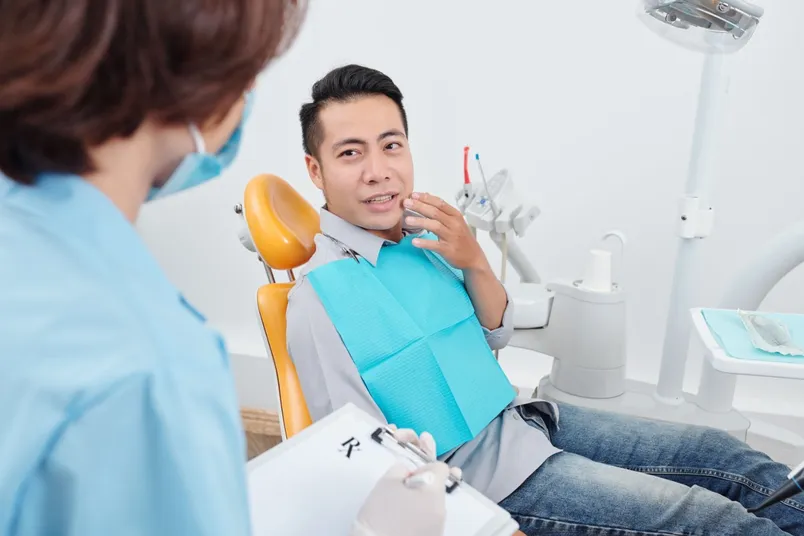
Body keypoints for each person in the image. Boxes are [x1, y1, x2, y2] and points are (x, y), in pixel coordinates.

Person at [286, 63, 804, 536]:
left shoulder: (420, 234)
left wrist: (474, 259)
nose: (378, 170)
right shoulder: (320, 296)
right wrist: (480, 522)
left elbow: (494, 334)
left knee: (726, 458)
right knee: (710, 521)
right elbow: (355, 456)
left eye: (391, 145)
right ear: (316, 170)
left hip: (526, 420)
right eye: (350, 153)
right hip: (482, 480)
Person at [0, 3, 455, 536]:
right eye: (250, 73)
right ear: (204, 80)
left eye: (392, 145)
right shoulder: (149, 364)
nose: (378, 172)